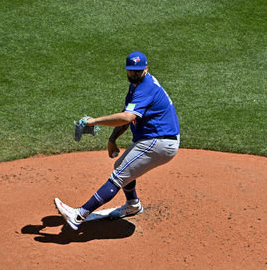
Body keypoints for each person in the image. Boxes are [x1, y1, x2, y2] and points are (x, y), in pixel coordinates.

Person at [54, 51, 180, 230]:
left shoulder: (146, 87)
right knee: (121, 165)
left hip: (159, 142)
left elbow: (127, 118)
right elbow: (127, 113)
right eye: (130, 70)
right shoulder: (136, 85)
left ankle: (79, 215)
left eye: (137, 70)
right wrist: (113, 139)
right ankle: (133, 204)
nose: (133, 74)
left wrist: (94, 121)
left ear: (146, 68)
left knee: (118, 176)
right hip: (157, 139)